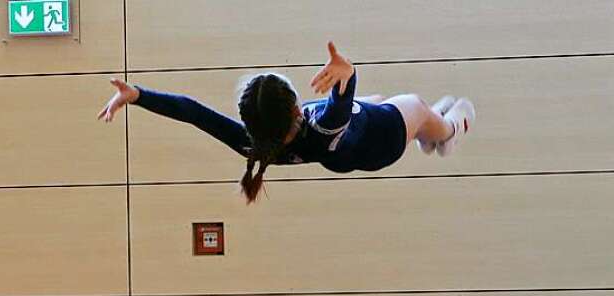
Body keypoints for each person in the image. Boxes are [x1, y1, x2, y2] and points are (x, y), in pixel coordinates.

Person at [98, 41, 475, 203]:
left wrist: (139, 96)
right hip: (384, 137)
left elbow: (195, 114)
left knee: (374, 101)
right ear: (297, 108)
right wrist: (347, 73)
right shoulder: (324, 125)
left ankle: (427, 136)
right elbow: (340, 104)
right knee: (417, 105)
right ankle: (448, 131)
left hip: (354, 143)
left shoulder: (257, 143)